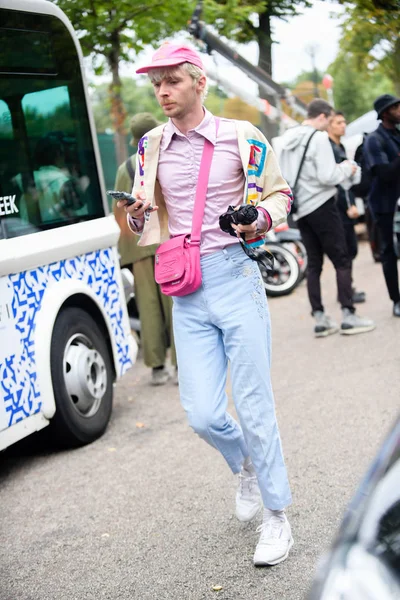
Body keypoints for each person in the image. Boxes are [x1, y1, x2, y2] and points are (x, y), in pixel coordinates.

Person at [118, 43, 294, 567]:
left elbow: (280, 195)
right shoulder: (150, 146)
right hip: (185, 285)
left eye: (172, 81)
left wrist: (259, 220)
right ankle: (244, 466)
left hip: (235, 276)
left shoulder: (242, 136)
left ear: (199, 82)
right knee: (200, 413)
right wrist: (135, 214)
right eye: (156, 84)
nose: (163, 92)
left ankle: (277, 515)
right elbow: (142, 221)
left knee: (255, 402)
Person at [278, 99, 375, 338]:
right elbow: (328, 175)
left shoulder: (287, 139)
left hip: (300, 210)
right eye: (329, 120)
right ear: (321, 117)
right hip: (322, 205)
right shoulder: (318, 138)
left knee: (314, 264)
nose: (330, 124)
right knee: (341, 259)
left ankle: (320, 318)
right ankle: (348, 314)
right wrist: (347, 168)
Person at [113, 113, 177, 385]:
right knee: (175, 303)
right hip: (169, 241)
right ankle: (182, 365)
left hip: (139, 248)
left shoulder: (124, 169)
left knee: (148, 306)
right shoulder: (167, 157)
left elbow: (118, 212)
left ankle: (157, 367)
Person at [363, 94, 400, 317]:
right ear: (385, 113)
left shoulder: (397, 134)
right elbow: (383, 174)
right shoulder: (374, 140)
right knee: (388, 252)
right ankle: (396, 300)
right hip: (385, 205)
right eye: (396, 107)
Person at [328, 111, 366, 303]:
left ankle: (347, 289)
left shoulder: (339, 146)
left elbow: (347, 182)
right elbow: (336, 182)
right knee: (345, 251)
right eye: (339, 122)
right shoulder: (329, 148)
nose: (343, 125)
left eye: (344, 122)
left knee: (350, 249)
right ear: (329, 125)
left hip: (345, 205)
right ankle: (345, 293)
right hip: (337, 208)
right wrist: (347, 206)